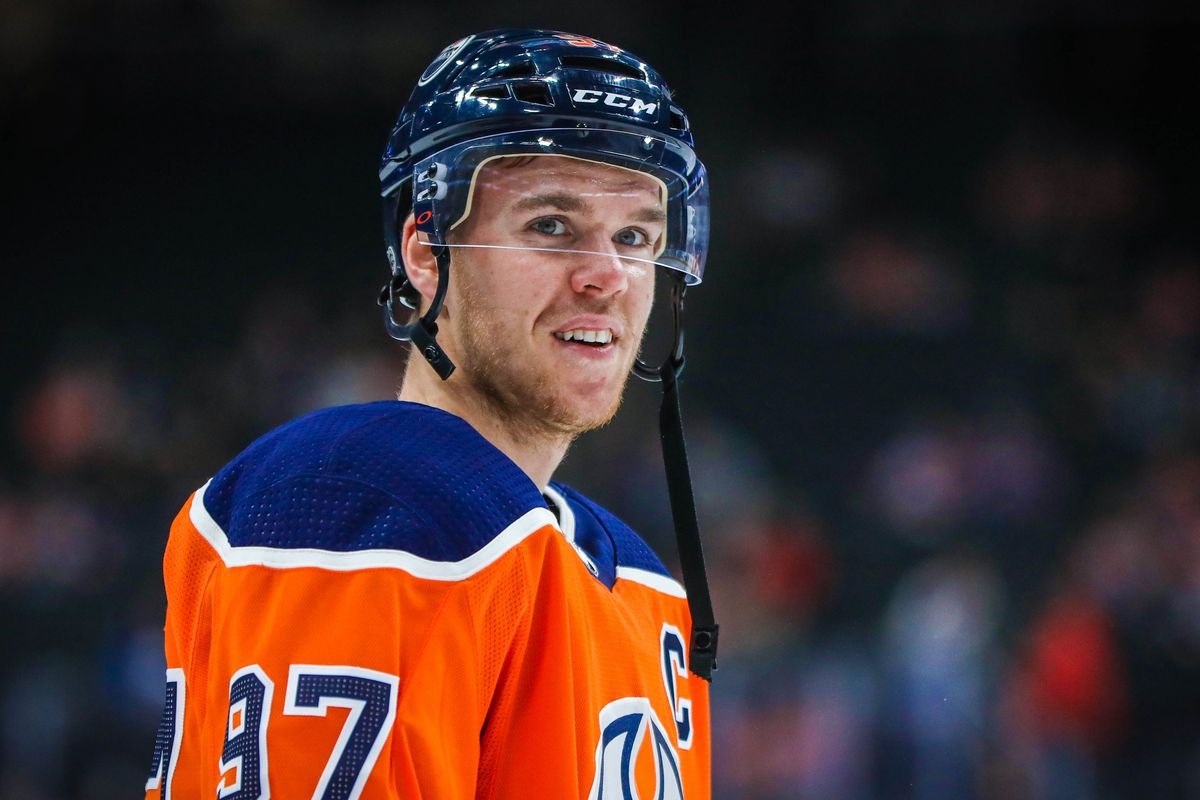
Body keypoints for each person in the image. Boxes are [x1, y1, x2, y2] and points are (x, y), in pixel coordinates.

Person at [145, 28, 716, 799]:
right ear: (425, 252)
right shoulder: (363, 499)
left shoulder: (642, 579)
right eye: (551, 225)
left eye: (636, 235)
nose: (608, 275)